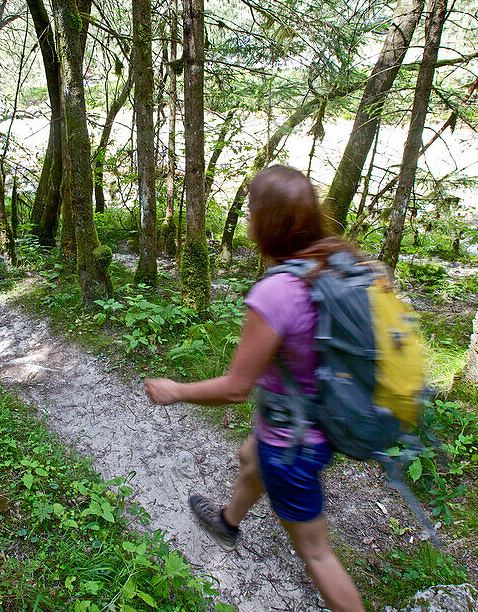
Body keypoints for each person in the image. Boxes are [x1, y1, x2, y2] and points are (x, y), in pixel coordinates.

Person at [144, 164, 364, 612]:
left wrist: (176, 390)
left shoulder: (277, 293)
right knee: (250, 457)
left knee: (317, 553)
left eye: (250, 212)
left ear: (263, 221)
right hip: (318, 420)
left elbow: (235, 388)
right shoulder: (335, 266)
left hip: (293, 443)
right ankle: (227, 522)